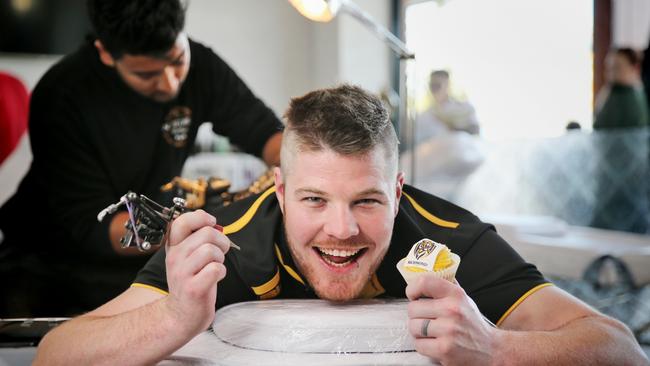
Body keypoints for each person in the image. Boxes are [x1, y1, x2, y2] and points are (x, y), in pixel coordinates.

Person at [35, 85, 648, 365]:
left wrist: (496, 349)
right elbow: (56, 354)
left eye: (367, 201)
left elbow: (620, 348)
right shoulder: (228, 239)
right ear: (278, 191)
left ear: (398, 191)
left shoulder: (446, 238)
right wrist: (172, 317)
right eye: (313, 200)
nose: (341, 229)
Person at [0, 0, 283, 317]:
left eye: (177, 61)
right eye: (147, 74)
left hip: (139, 257)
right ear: (106, 54)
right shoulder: (63, 95)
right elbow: (94, 225)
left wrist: (305, 167)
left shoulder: (203, 66)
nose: (170, 82)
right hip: (50, 266)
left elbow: (264, 132)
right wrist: (176, 233)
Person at [414, 70, 479, 145]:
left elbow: (475, 131)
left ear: (447, 85)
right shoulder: (424, 117)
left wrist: (454, 128)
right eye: (432, 86)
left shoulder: (465, 108)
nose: (434, 90)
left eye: (437, 85)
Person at [593, 47, 649, 129]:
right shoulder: (610, 91)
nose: (610, 74)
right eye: (608, 68)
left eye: (617, 68)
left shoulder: (633, 96)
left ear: (634, 68)